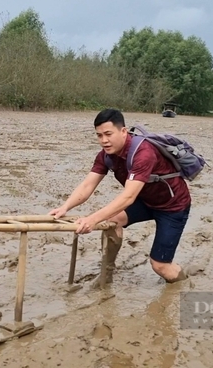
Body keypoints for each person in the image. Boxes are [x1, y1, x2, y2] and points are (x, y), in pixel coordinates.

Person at [48, 108, 193, 284]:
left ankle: (185, 286)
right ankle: (106, 274)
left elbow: (128, 197)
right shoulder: (105, 156)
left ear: (123, 131)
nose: (104, 140)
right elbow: (87, 185)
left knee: (160, 266)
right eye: (99, 135)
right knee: (112, 221)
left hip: (173, 207)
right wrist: (65, 207)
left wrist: (92, 219)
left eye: (108, 134)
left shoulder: (144, 153)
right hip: (146, 201)